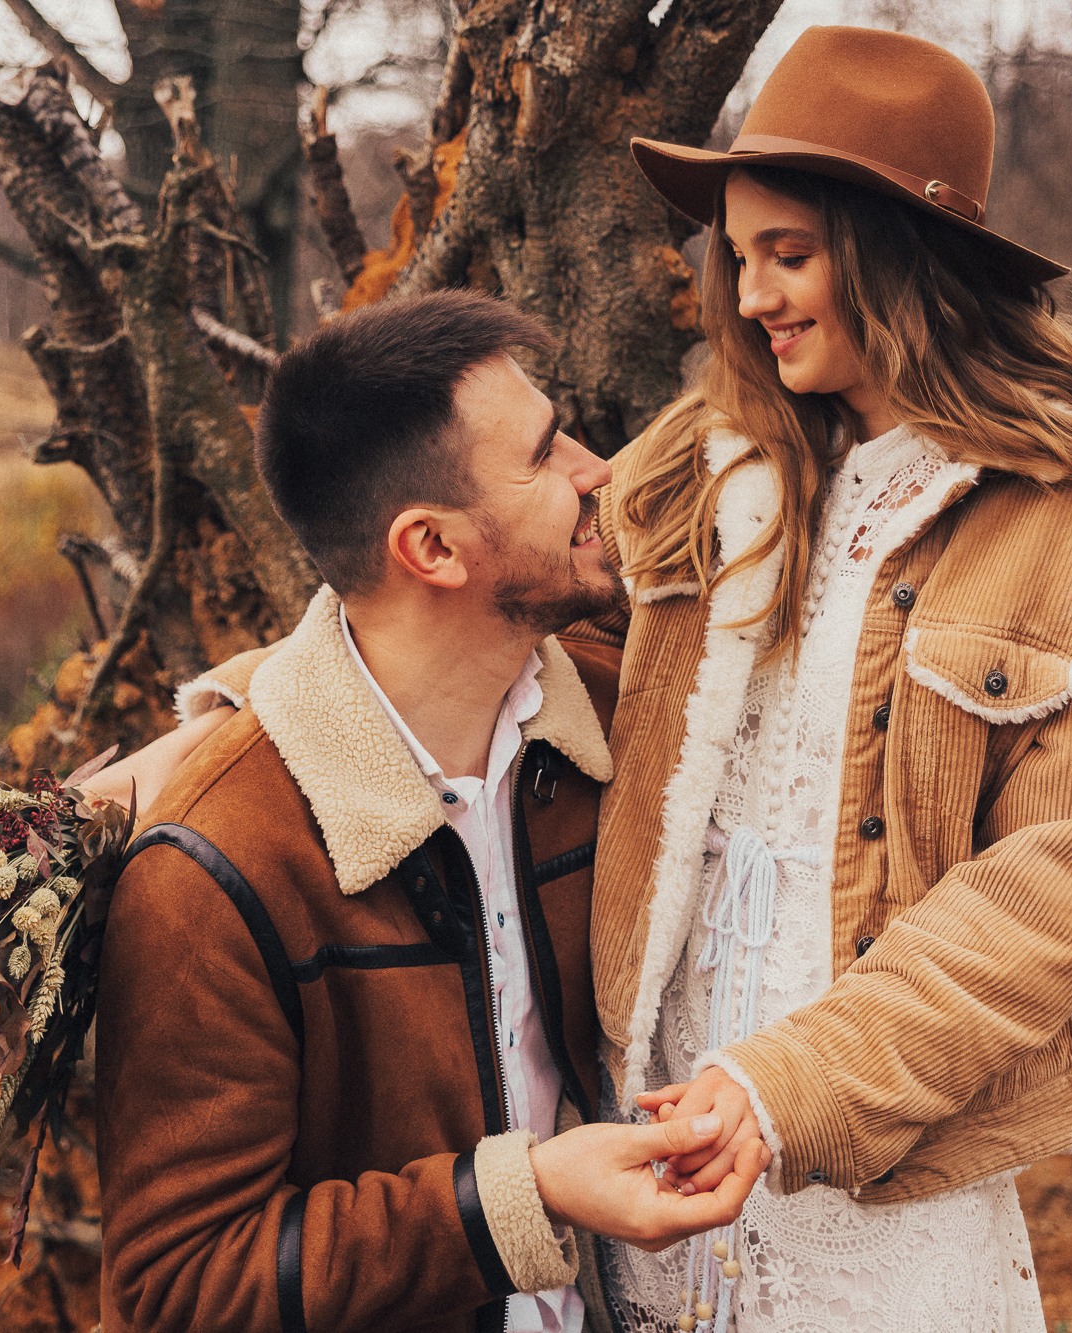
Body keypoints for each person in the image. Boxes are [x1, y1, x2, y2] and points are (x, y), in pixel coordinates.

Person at [98, 25, 1072, 1331]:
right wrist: (209, 746)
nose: (753, 295)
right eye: (738, 258)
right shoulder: (710, 466)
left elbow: (1053, 896)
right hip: (652, 1187)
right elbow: (427, 607)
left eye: (788, 254)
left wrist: (791, 1086)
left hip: (877, 1196)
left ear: (904, 252)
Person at [92, 291, 768, 1333]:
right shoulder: (214, 870)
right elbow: (178, 1292)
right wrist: (525, 1197)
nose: (598, 469)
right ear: (433, 550)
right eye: (546, 455)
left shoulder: (614, 717)